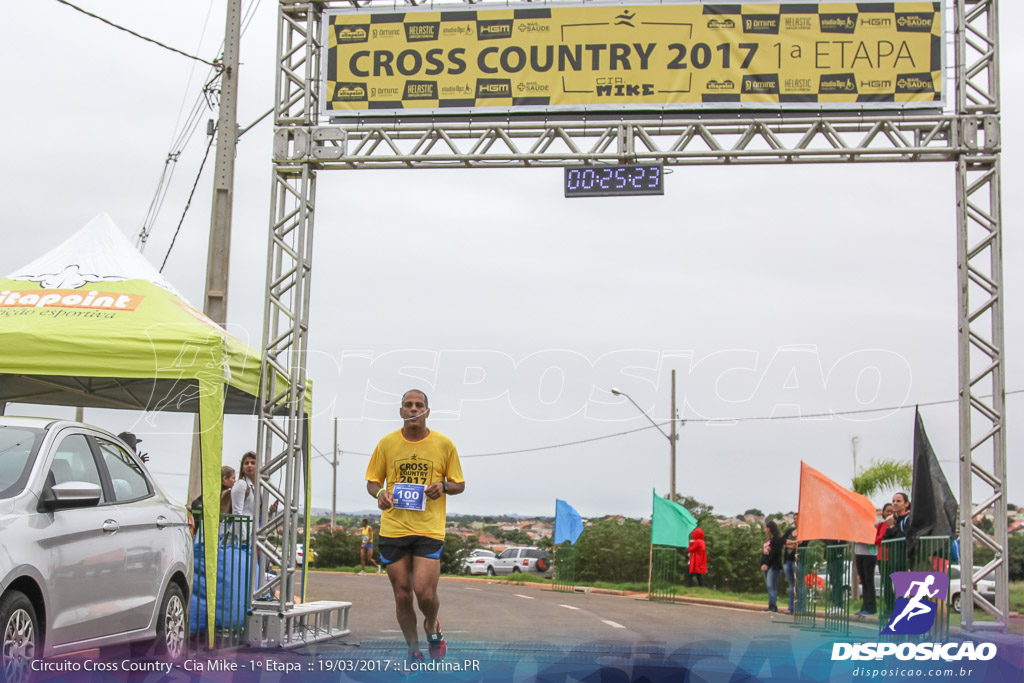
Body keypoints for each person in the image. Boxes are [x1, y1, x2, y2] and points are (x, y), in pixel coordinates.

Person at [366, 389, 465, 664]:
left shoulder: (444, 444)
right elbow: (373, 482)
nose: (413, 409)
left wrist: (443, 486)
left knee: (424, 592)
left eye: (418, 405)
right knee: (402, 594)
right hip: (394, 528)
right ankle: (413, 650)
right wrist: (379, 495)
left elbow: (459, 484)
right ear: (401, 412)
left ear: (427, 412)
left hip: (428, 529)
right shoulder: (386, 444)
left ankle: (432, 626)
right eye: (408, 405)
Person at [854, 503, 891, 617]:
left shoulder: (877, 524)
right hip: (859, 552)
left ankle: (871, 607)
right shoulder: (857, 523)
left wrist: (868, 540)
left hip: (870, 554)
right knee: (864, 581)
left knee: (869, 581)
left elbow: (878, 538)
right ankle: (865, 606)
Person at [760, 520, 784, 613]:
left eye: (766, 527)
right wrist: (762, 563)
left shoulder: (777, 540)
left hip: (774, 566)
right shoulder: (768, 540)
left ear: (770, 528)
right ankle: (770, 604)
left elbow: (774, 554)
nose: (765, 529)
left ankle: (773, 606)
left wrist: (767, 564)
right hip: (766, 565)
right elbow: (765, 554)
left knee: (771, 585)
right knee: (769, 586)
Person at [782, 513, 800, 614]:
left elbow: (801, 544)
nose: (796, 520)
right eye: (794, 518)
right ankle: (790, 607)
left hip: (798, 560)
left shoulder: (804, 532)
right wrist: (794, 543)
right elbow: (783, 541)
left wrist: (790, 543)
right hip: (787, 560)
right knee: (791, 585)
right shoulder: (789, 531)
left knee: (799, 585)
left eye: (798, 518)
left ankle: (800, 608)